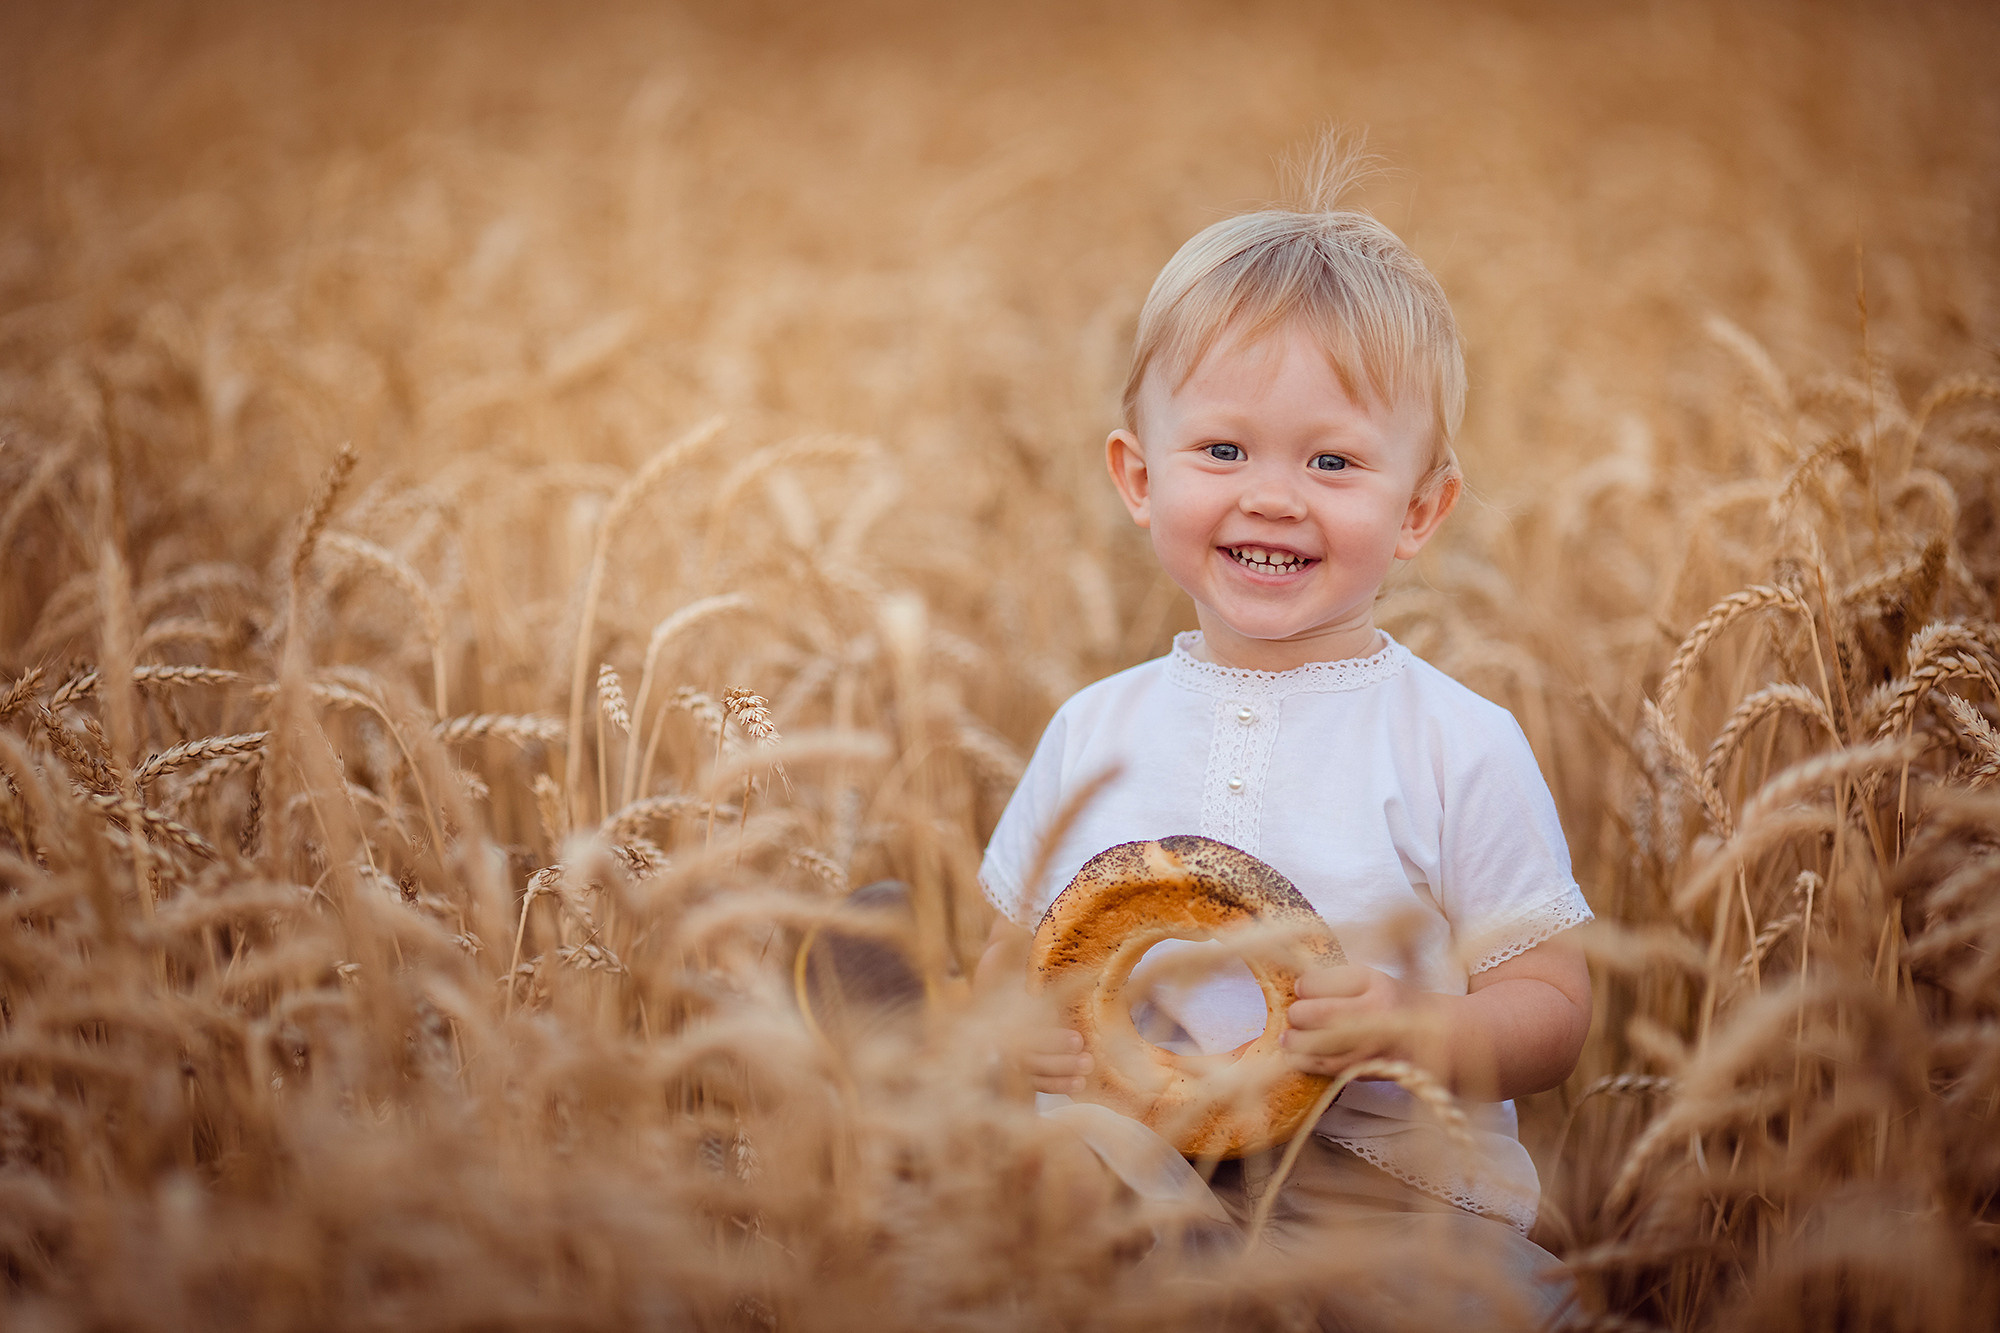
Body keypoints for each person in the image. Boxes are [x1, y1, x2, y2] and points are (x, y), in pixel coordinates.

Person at [972, 163, 1593, 1330]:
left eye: (1331, 462)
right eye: (1221, 451)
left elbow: (1551, 1001)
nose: (1271, 497)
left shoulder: (1454, 741)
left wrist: (1411, 1029)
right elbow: (1014, 961)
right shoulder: (1093, 729)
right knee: (1022, 1199)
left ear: (1419, 510)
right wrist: (1015, 1036)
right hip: (1139, 1155)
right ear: (1137, 477)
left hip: (1381, 1188)